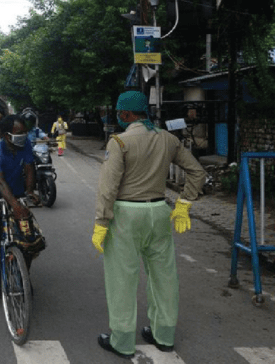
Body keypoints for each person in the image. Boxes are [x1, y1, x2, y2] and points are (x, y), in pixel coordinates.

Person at [92, 91, 206, 359]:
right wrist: (183, 205)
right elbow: (197, 172)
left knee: (122, 279)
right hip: (159, 212)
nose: (118, 116)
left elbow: (108, 188)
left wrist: (101, 222)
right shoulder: (169, 139)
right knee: (164, 276)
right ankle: (163, 335)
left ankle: (121, 340)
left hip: (125, 214)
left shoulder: (119, 141)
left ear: (127, 114)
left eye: (120, 112)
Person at [0, 115, 40, 300]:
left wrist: (29, 191)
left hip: (17, 194)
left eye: (25, 132)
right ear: (6, 135)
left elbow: (29, 169)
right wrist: (15, 206)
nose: (24, 136)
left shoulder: (25, 145)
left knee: (28, 239)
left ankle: (23, 277)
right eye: (19, 133)